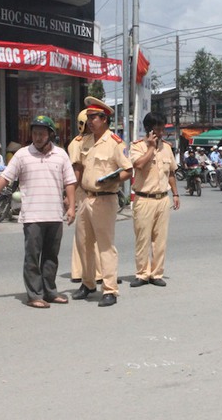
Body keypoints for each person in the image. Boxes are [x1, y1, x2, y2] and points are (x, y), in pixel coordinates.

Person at [0, 116, 76, 308]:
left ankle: (50, 291)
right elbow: (5, 177)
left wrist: (71, 206)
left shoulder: (61, 155)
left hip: (54, 214)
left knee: (51, 257)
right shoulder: (22, 155)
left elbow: (69, 181)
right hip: (33, 215)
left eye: (42, 133)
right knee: (33, 257)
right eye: (35, 133)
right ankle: (35, 294)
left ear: (50, 134)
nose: (37, 137)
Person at [71, 96, 133, 307]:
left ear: (104, 119)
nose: (90, 121)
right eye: (88, 117)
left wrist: (113, 179)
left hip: (105, 198)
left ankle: (110, 289)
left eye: (94, 117)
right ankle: (88, 284)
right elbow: (78, 168)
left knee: (105, 245)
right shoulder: (85, 141)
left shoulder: (115, 143)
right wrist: (69, 194)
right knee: (84, 244)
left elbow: (128, 170)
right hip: (85, 197)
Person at [129, 112, 180, 288]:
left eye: (161, 128)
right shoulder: (137, 146)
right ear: (148, 129)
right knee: (142, 239)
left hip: (162, 199)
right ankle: (142, 274)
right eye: (156, 128)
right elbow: (139, 165)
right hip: (144, 199)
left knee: (160, 240)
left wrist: (175, 194)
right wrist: (150, 147)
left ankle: (156, 273)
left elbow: (171, 172)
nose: (159, 132)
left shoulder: (167, 147)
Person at [67, 109, 102, 284]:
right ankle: (81, 271)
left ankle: (94, 271)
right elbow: (75, 170)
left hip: (89, 191)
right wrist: (71, 195)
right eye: (87, 121)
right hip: (81, 191)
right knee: (82, 234)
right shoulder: (77, 143)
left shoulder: (95, 140)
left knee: (90, 234)